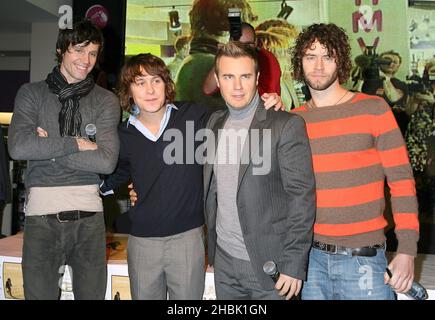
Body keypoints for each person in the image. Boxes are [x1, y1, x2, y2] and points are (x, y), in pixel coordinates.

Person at [103, 53, 281, 300]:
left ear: (167, 84)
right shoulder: (122, 135)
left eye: (156, 81)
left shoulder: (193, 115)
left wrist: (266, 102)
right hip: (143, 242)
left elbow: (236, 114)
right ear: (128, 90)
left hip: (188, 239)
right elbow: (114, 175)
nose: (150, 89)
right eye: (140, 82)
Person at [290, 23, 419, 300]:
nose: (319, 66)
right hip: (310, 261)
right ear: (300, 63)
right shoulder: (294, 120)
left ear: (342, 61)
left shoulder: (373, 109)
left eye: (328, 56)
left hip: (365, 260)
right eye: (310, 56)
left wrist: (407, 250)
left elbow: (402, 181)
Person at [7, 19, 120, 300]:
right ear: (60, 50)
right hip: (41, 220)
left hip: (90, 219)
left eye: (93, 53)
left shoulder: (106, 100)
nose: (86, 60)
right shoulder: (31, 94)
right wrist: (75, 144)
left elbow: (106, 162)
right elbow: (19, 148)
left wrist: (47, 148)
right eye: (79, 50)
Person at [204, 42, 316, 300]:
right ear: (218, 81)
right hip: (224, 263)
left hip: (272, 267)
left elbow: (302, 198)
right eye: (228, 77)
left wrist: (293, 264)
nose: (238, 86)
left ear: (257, 78)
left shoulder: (285, 125)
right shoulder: (214, 123)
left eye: (245, 76)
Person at [202, 22, 281, 99]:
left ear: (255, 43)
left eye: (248, 45)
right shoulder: (230, 58)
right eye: (238, 45)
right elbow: (208, 89)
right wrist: (221, 56)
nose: (243, 50)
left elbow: (268, 97)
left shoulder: (267, 59)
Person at [362, 50, 409, 135]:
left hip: (394, 128)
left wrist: (385, 78)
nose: (390, 64)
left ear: (398, 66)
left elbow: (394, 98)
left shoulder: (401, 84)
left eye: (394, 62)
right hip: (369, 127)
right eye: (386, 61)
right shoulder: (369, 81)